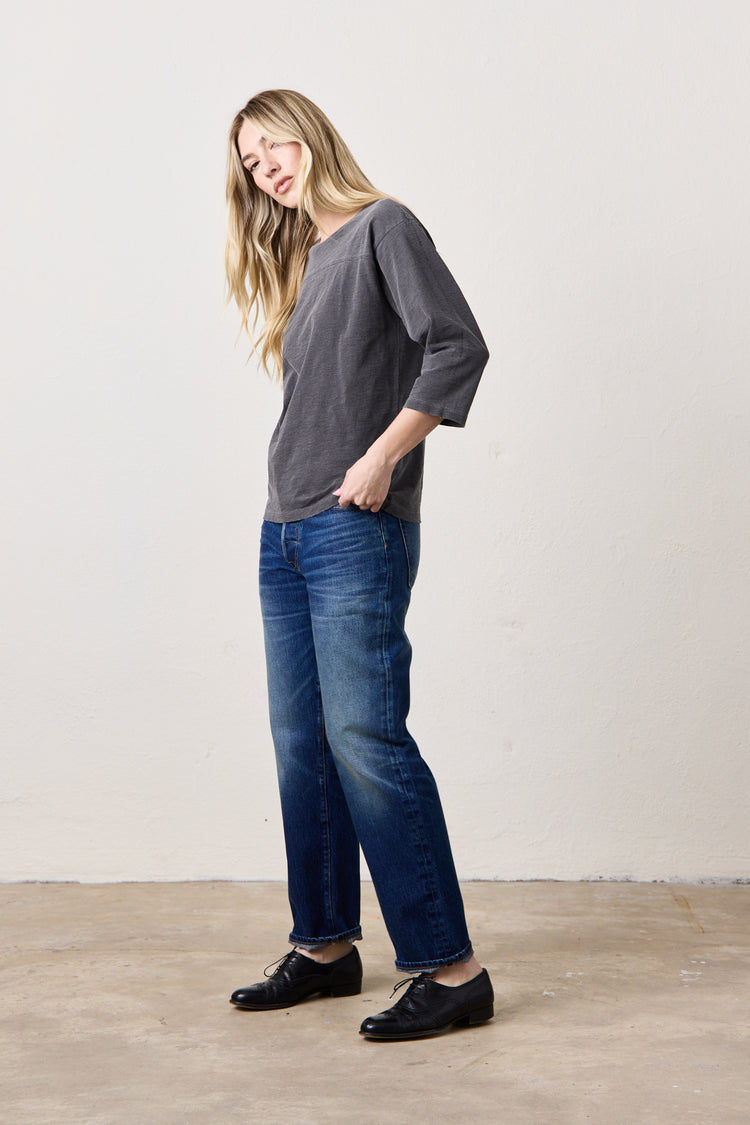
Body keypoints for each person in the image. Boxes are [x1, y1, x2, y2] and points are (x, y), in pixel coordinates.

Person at [224, 89, 492, 1040]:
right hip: (285, 529)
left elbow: (458, 345)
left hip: (352, 525)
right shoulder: (307, 257)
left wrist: (382, 458)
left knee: (365, 738)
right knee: (303, 743)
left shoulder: (384, 226)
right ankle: (327, 948)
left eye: (275, 145)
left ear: (312, 135)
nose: (267, 167)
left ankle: (451, 970)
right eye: (250, 162)